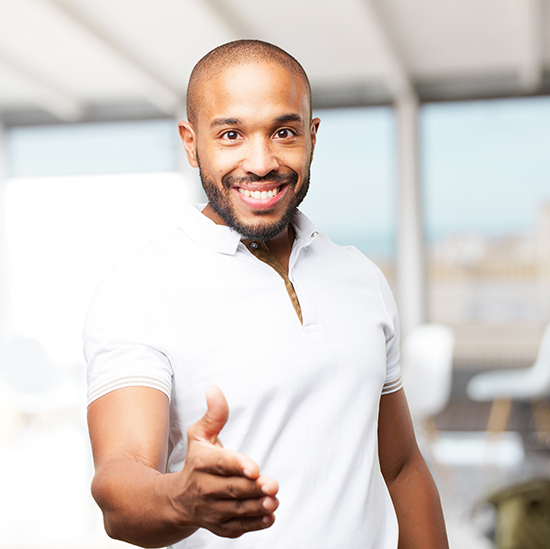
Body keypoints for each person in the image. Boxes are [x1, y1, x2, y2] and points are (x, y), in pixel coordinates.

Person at [85, 39, 449, 549]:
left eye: (283, 132)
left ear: (312, 136)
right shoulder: (139, 290)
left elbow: (403, 466)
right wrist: (182, 499)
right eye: (231, 134)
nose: (260, 162)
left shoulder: (361, 277)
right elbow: (118, 487)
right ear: (191, 144)